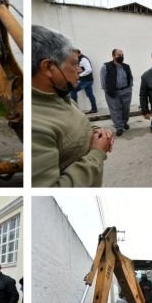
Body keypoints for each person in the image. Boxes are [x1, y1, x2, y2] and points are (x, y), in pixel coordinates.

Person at [32, 25, 113, 187]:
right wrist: (97, 153)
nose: (80, 69)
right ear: (48, 68)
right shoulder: (36, 126)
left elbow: (77, 125)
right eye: (74, 64)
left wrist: (97, 131)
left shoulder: (62, 96)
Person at [101, 48, 133, 136]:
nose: (121, 57)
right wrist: (107, 90)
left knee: (126, 109)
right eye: (119, 55)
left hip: (126, 91)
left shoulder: (126, 66)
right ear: (113, 56)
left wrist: (130, 88)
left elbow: (130, 77)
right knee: (115, 110)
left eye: (122, 55)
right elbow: (103, 81)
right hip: (112, 92)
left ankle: (124, 122)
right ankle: (119, 126)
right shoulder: (106, 66)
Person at [70, 48, 97, 113]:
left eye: (73, 54)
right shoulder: (80, 59)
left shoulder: (83, 59)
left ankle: (76, 110)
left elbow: (89, 69)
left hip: (86, 81)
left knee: (73, 90)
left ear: (77, 53)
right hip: (87, 80)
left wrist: (80, 75)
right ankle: (94, 108)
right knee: (90, 94)